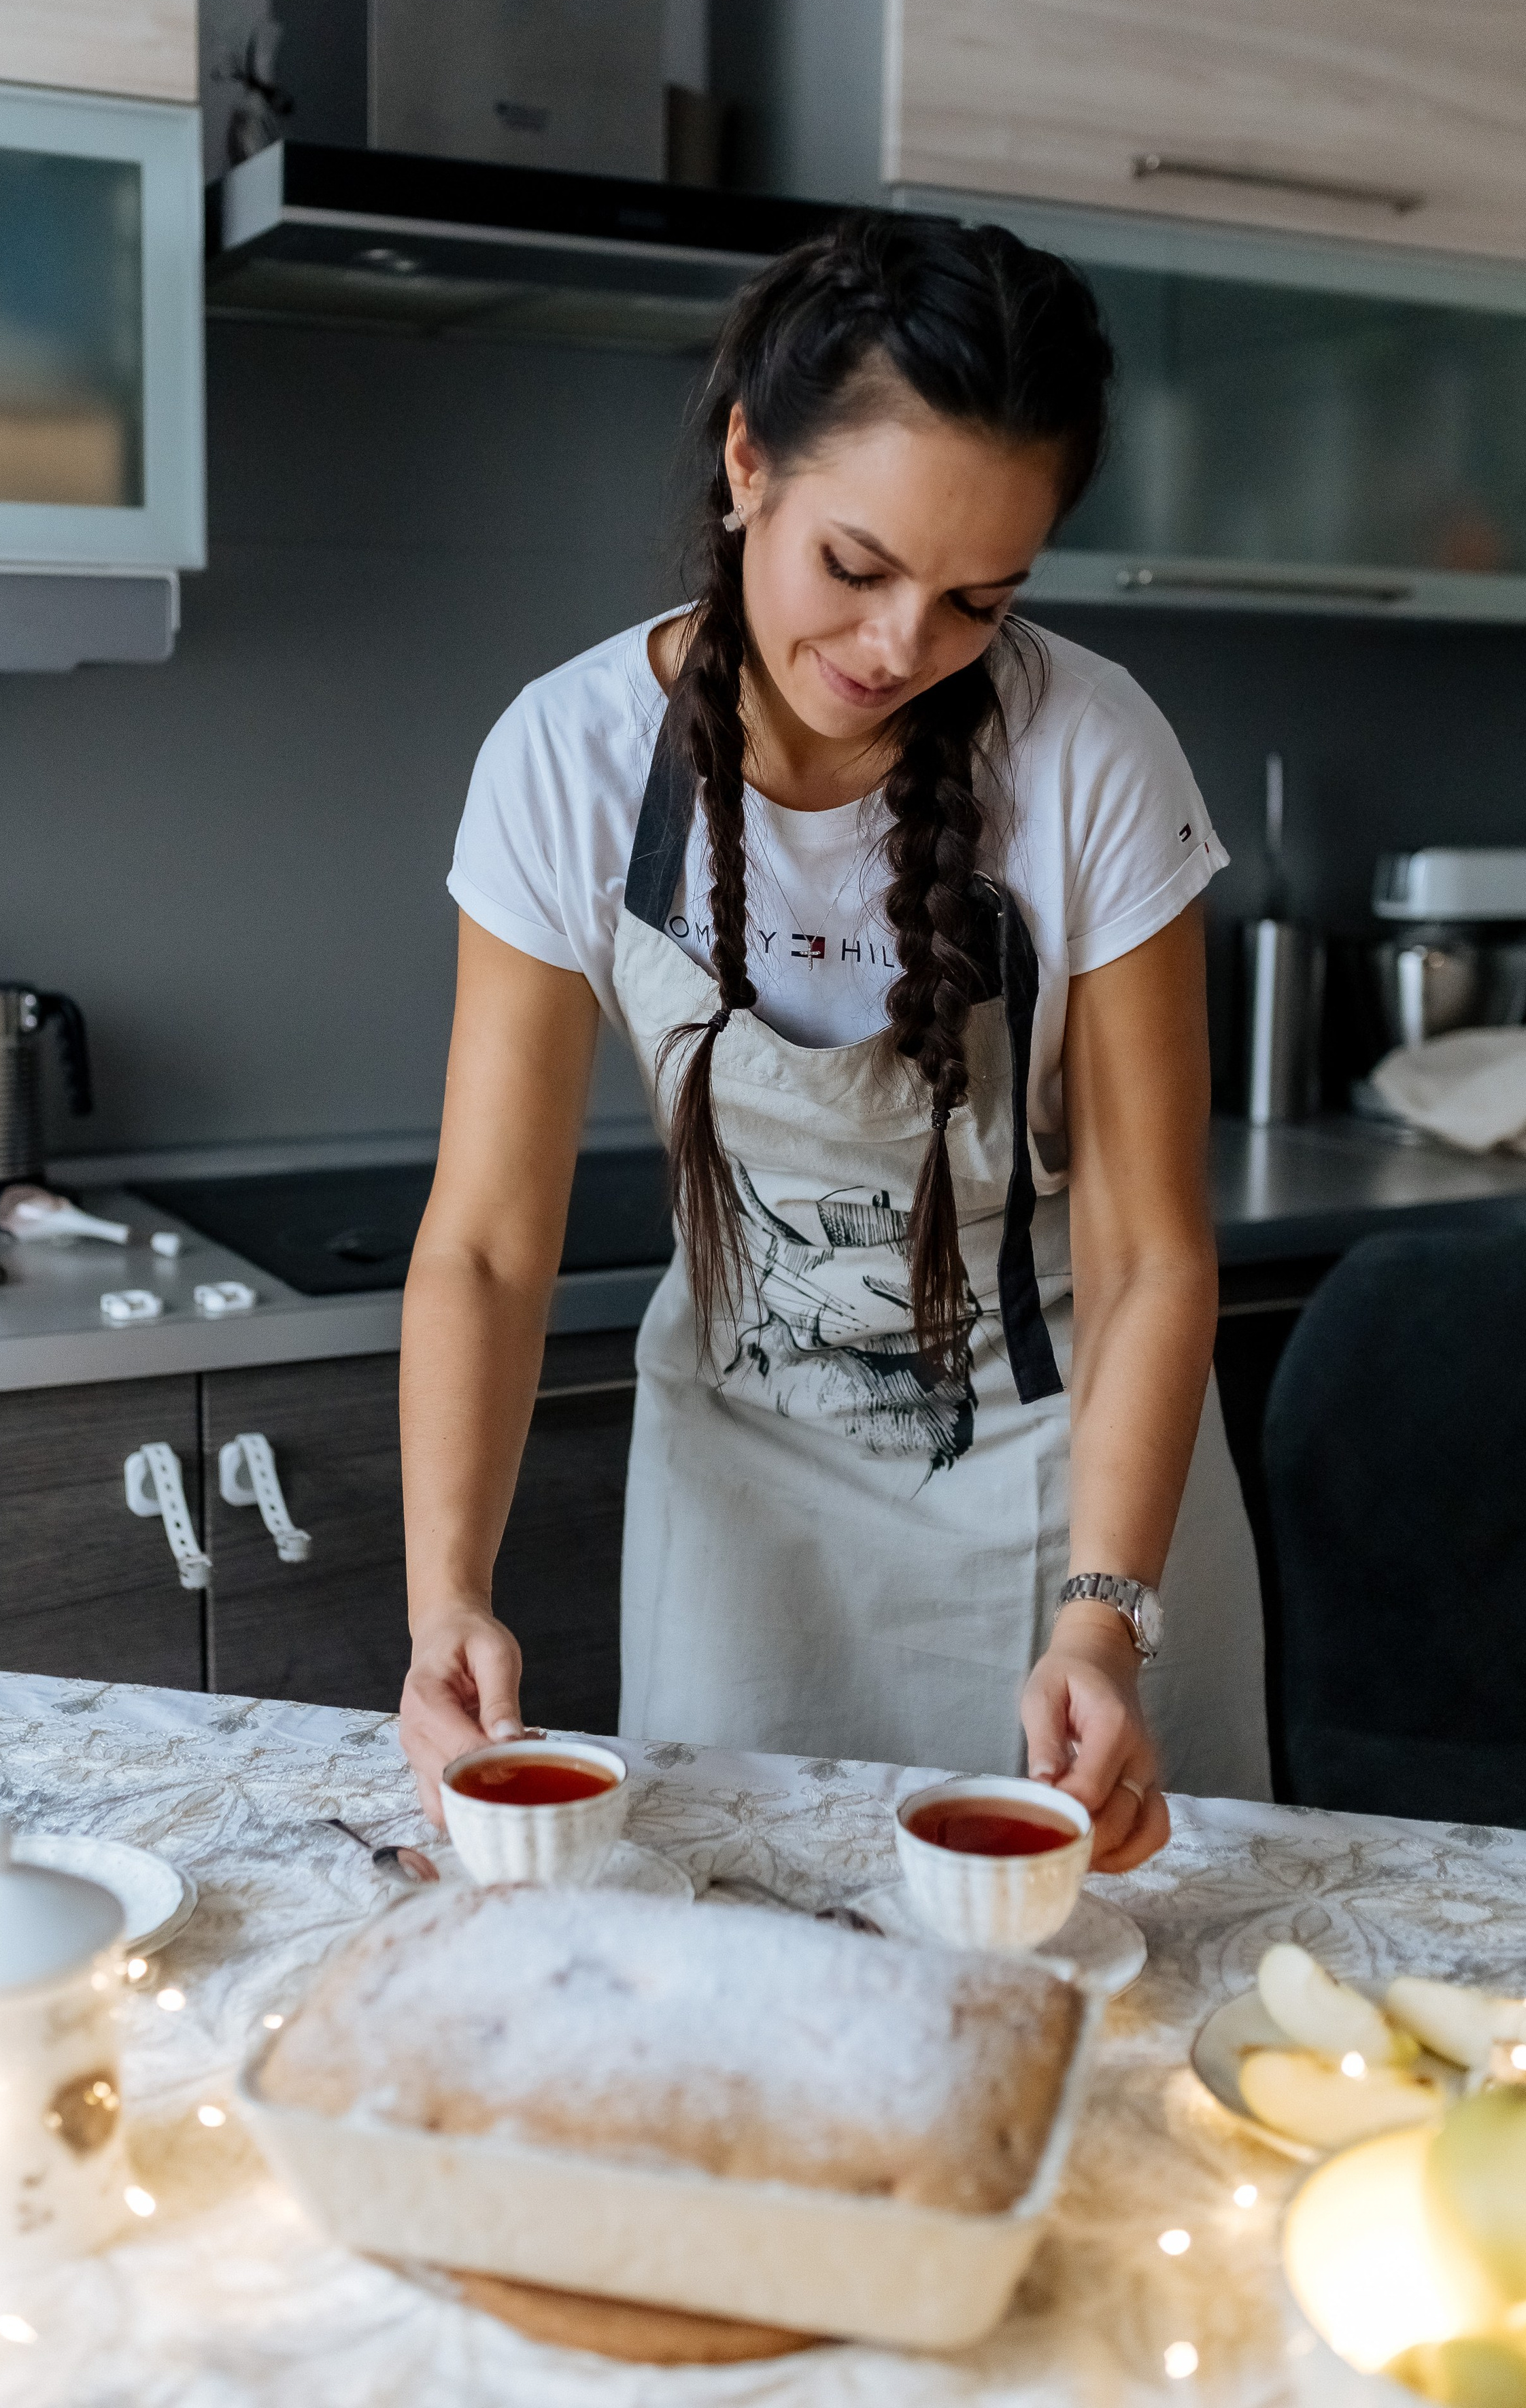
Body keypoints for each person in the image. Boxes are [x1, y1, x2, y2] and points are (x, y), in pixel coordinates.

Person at [398, 214, 1270, 1870]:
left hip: (1067, 1492)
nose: (897, 652)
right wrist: (450, 1593)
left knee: (1110, 2010)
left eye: (975, 600)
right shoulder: (567, 760)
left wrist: (1102, 1613)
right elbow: (489, 1246)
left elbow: (1152, 1248)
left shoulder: (1088, 757)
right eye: (856, 570)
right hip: (747, 1498)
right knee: (737, 1956)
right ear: (746, 460)